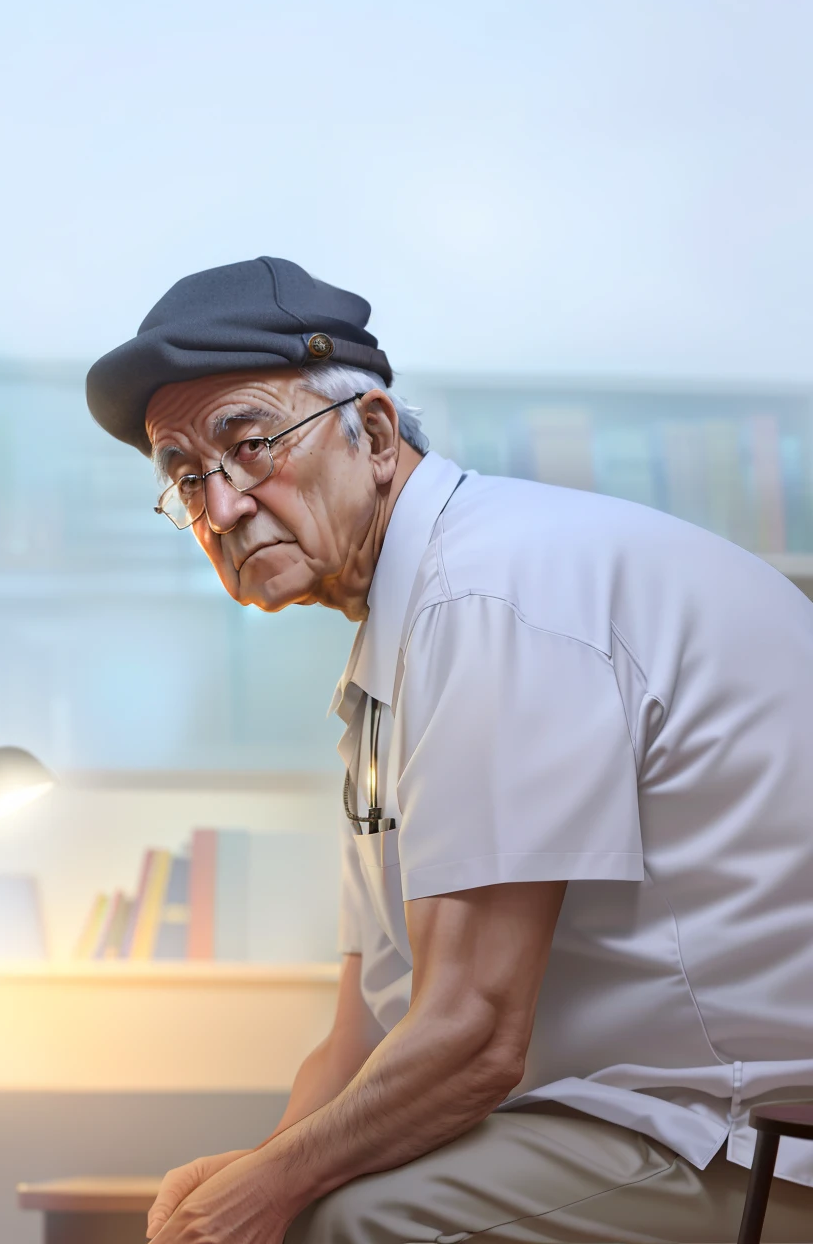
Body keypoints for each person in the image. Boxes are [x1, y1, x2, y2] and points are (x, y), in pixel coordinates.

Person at [86, 256, 813, 1244]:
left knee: (346, 1219)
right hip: (637, 1123)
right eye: (185, 477)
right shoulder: (396, 651)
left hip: (745, 1141)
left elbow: (471, 1036)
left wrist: (271, 1196)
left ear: (374, 434)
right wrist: (258, 1179)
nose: (220, 508)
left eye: (248, 444)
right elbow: (362, 1033)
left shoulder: (493, 592)